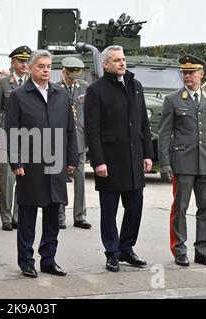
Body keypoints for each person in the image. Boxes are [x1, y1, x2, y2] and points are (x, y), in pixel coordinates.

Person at [5, 50, 79, 278]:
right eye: (41, 66)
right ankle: (26, 260)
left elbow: (70, 130)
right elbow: (11, 132)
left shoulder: (60, 95)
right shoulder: (19, 95)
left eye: (48, 66)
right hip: (30, 164)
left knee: (52, 214)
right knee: (27, 215)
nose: (46, 70)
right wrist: (16, 161)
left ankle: (49, 258)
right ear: (31, 68)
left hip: (55, 163)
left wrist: (72, 159)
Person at [84, 45, 154, 272]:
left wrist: (147, 154)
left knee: (135, 209)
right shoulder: (96, 90)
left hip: (134, 160)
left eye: (123, 59)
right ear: (105, 64)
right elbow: (92, 130)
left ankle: (126, 248)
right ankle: (112, 252)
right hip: (110, 162)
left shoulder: (136, 86)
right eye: (116, 60)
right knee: (109, 211)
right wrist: (98, 161)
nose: (122, 63)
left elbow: (143, 122)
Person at [158, 55, 206, 268]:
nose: (187, 76)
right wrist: (166, 163)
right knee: (180, 208)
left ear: (201, 74)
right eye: (184, 73)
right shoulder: (173, 99)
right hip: (183, 163)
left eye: (191, 72)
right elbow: (164, 134)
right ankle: (179, 250)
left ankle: (202, 251)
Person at [0, 46, 32, 231]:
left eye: (27, 61)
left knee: (24, 180)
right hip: (8, 137)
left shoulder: (32, 82)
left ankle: (17, 216)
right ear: (13, 63)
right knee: (7, 180)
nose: (25, 64)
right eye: (21, 61)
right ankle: (6, 217)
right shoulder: (3, 83)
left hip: (29, 137)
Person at [57, 57, 91, 230]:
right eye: (70, 76)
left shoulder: (84, 87)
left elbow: (89, 114)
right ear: (63, 72)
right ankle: (59, 216)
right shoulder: (55, 88)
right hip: (61, 140)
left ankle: (80, 216)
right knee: (60, 180)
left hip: (79, 139)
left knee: (80, 179)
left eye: (76, 76)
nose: (73, 79)